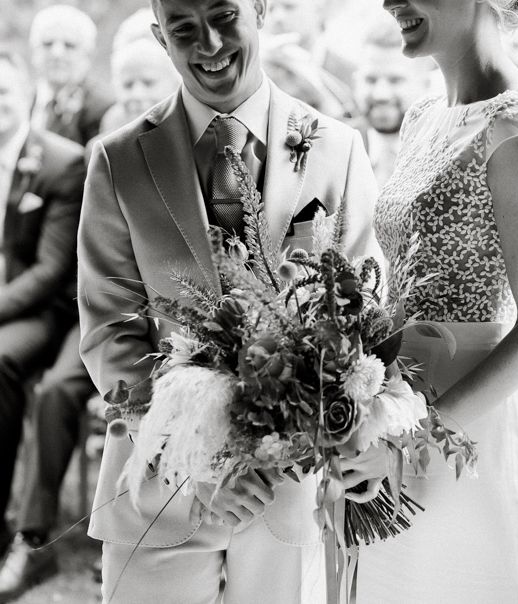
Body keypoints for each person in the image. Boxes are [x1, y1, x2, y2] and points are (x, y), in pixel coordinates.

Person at [77, 0, 380, 602]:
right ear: (161, 38)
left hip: (289, 491)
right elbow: (110, 334)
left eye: (225, 16)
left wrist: (355, 432)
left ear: (261, 9)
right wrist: (195, 460)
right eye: (184, 28)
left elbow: (362, 311)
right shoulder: (117, 160)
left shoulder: (337, 148)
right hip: (158, 489)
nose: (209, 44)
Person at [341, 0, 518, 601]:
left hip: (472, 425)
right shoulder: (424, 115)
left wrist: (414, 439)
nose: (390, 2)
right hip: (395, 399)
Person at [0, 48, 85, 573]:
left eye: (3, 93)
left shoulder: (60, 160)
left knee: (2, 360)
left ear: (26, 94)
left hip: (40, 311)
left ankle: (21, 534)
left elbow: (51, 270)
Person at [353, 16, 434, 187]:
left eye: (395, 80)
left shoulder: (444, 150)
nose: (381, 95)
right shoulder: (335, 145)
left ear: (425, 83)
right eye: (370, 79)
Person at [29, 5, 113, 146]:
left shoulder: (102, 108)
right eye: (47, 44)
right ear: (33, 51)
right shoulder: (23, 99)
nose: (57, 53)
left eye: (69, 45)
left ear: (88, 54)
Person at [98, 37, 182, 136]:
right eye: (128, 85)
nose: (137, 95)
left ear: (175, 83)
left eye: (148, 83)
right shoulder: (113, 122)